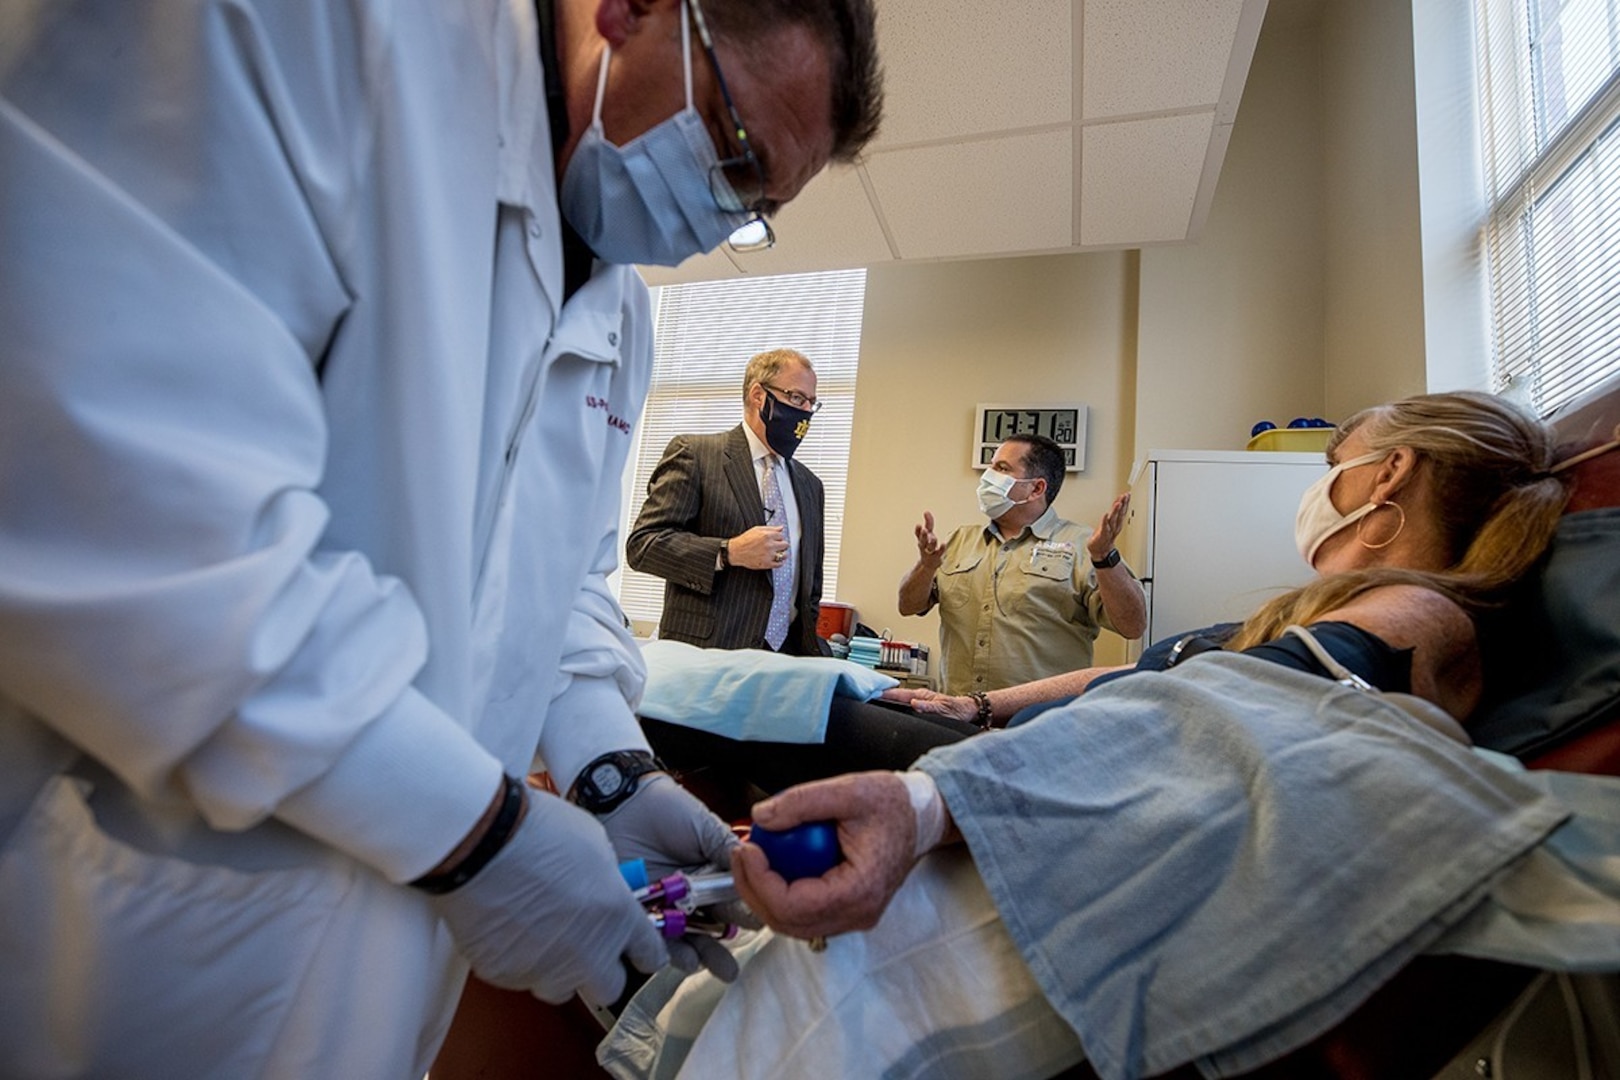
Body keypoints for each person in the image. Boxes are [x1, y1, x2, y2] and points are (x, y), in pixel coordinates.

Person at [0, 0, 881, 1075]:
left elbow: (561, 586)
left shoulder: (621, 316)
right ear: (635, 10)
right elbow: (108, 497)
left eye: (759, 207)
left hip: (398, 959)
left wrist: (609, 772)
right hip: (152, 919)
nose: (718, 217)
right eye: (734, 152)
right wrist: (480, 838)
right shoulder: (322, 34)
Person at [717, 391, 1611, 1078]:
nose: (1319, 487)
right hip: (1014, 731)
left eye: (1335, 460)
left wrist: (931, 801)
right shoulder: (1343, 608)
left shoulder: (1415, 612)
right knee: (794, 697)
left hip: (1044, 775)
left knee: (766, 707)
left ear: (1388, 476)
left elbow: (1228, 708)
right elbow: (1139, 674)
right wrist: (980, 707)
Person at [898, 434, 1148, 698]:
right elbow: (907, 605)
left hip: (1040, 722)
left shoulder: (1082, 544)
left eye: (1002, 468)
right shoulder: (960, 540)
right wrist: (926, 567)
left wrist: (1104, 557)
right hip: (958, 716)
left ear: (1036, 489)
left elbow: (1133, 626)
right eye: (991, 466)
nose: (987, 476)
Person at [627, 348, 827, 656]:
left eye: (812, 403)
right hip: (705, 658)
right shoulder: (696, 455)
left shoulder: (810, 486)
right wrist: (727, 551)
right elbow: (643, 545)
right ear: (758, 395)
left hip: (784, 668)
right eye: (797, 399)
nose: (806, 413)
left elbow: (810, 592)